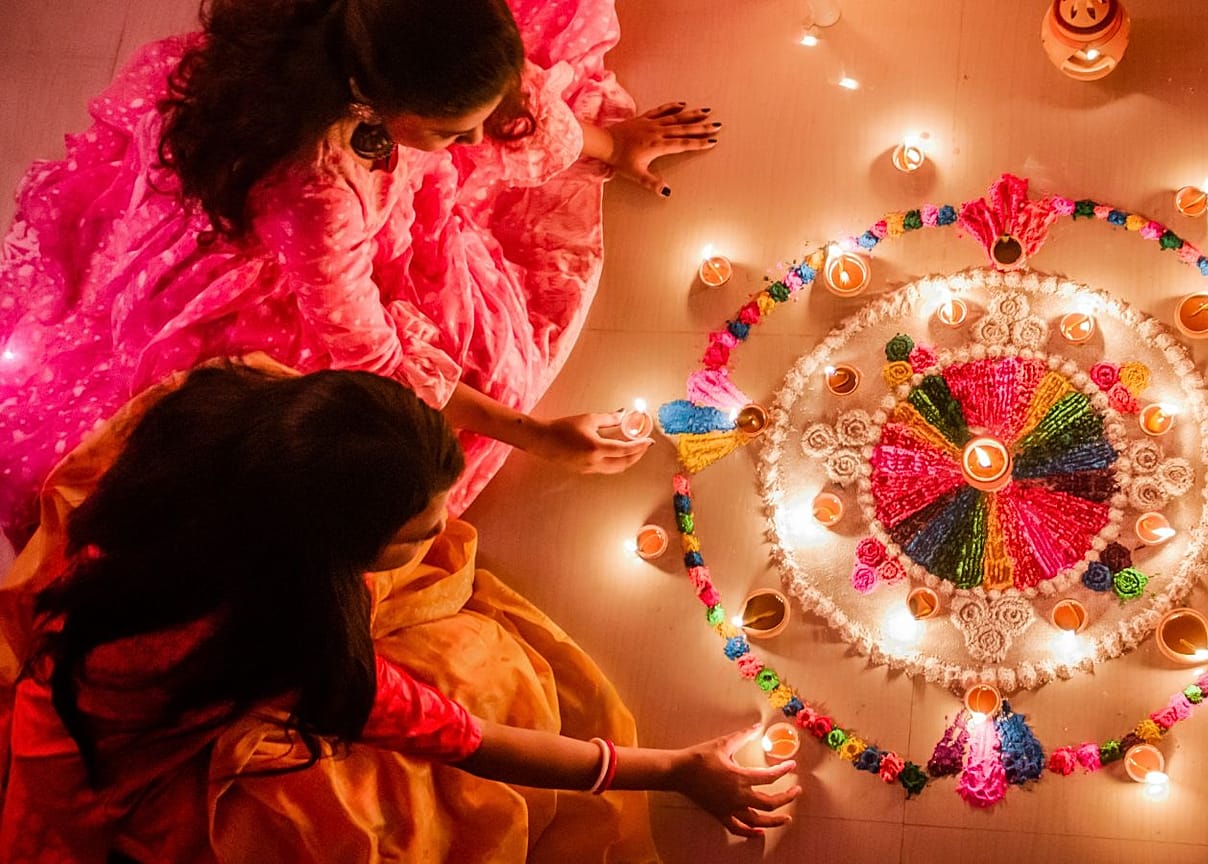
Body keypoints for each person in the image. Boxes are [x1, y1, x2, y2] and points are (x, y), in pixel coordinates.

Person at [0, 359, 798, 862]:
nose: (445, 530)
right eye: (414, 531)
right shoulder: (279, 641)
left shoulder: (248, 407)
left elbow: (406, 395)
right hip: (100, 772)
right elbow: (468, 741)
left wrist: (540, 435)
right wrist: (677, 772)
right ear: (322, 554)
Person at [0, 0, 721, 547]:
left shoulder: (397, 33)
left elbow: (509, 100)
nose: (472, 145)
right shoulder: (314, 193)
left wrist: (608, 142)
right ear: (364, 98)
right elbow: (374, 356)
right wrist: (532, 433)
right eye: (446, 131)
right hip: (285, 276)